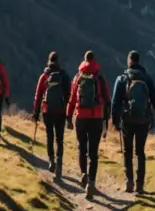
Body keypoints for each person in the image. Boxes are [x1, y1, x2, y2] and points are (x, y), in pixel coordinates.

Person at [111, 50, 155, 195]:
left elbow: (115, 102)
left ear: (129, 61)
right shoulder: (147, 79)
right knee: (140, 152)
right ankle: (140, 186)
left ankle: (129, 182)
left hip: (127, 120)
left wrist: (115, 120)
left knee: (127, 151)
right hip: (143, 120)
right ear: (138, 61)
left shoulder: (122, 79)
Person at [66, 50, 111, 199]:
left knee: (81, 148)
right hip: (96, 117)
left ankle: (84, 174)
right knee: (93, 152)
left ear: (84, 60)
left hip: (80, 117)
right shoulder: (99, 78)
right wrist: (106, 119)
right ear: (94, 60)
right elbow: (107, 98)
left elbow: (72, 99)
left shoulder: (78, 77)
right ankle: (91, 182)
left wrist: (68, 117)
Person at [33, 51, 71, 180]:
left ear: (48, 61)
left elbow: (38, 96)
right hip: (60, 111)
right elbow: (69, 95)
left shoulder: (44, 76)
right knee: (59, 138)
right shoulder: (64, 76)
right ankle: (59, 162)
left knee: (50, 135)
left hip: (47, 110)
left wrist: (36, 113)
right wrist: (67, 111)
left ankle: (51, 161)